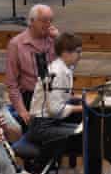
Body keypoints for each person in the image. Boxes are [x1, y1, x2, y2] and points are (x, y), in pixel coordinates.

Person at [26, 31, 84, 162]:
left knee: (86, 131)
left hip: (49, 122)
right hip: (41, 127)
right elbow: (55, 110)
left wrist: (79, 99)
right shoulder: (57, 72)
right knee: (86, 136)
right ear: (65, 53)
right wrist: (81, 108)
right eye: (78, 52)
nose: (80, 55)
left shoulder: (64, 68)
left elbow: (60, 100)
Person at [5, 4, 60, 127]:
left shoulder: (55, 40)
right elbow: (11, 83)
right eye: (44, 20)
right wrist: (22, 111)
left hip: (55, 94)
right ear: (31, 21)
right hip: (31, 98)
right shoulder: (16, 44)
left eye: (51, 20)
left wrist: (60, 39)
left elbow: (72, 64)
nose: (48, 24)